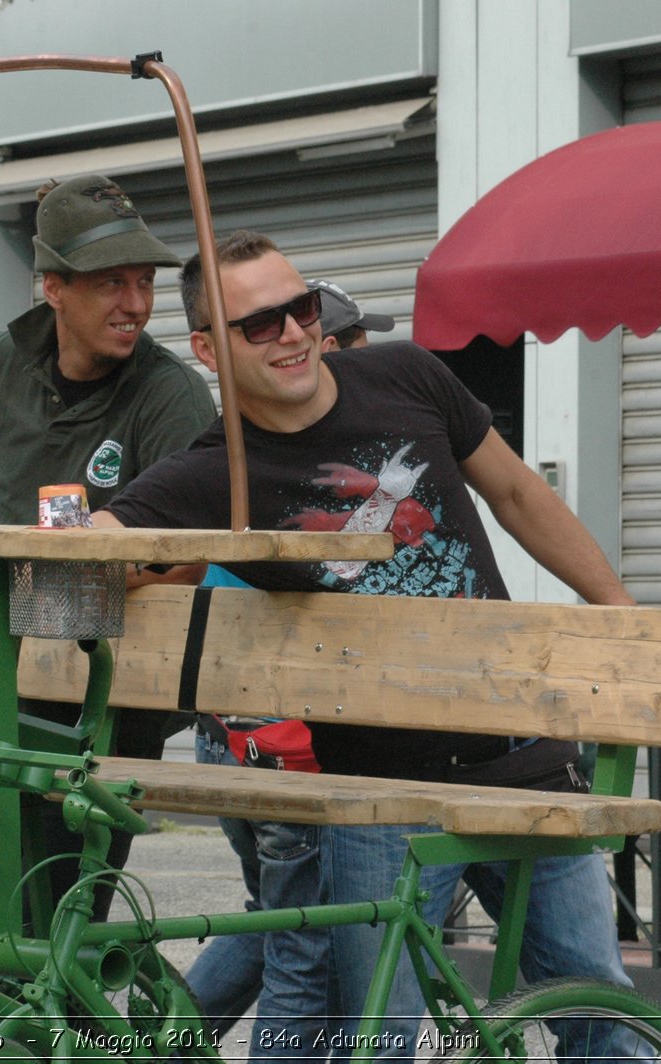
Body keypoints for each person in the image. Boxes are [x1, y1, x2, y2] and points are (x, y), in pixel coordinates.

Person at [94, 230, 640, 1058]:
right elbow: (95, 542)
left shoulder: (405, 373)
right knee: (377, 1039)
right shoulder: (214, 473)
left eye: (301, 308)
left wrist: (618, 617)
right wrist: (116, 552)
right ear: (206, 349)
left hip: (523, 749)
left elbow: (522, 496)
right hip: (376, 791)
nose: (292, 334)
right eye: (259, 324)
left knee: (606, 1023)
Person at [0, 174, 216, 925]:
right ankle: (11, 1037)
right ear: (53, 288)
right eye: (112, 283)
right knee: (0, 913)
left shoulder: (170, 394)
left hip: (108, 694)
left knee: (68, 921)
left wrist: (56, 594)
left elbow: (189, 556)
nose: (136, 304)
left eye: (144, 282)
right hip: (0, 679)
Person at [185, 277, 394, 1050]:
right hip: (283, 733)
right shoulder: (302, 462)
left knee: (278, 917)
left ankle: (155, 1039)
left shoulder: (255, 453)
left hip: (229, 725)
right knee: (303, 940)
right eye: (357, 350)